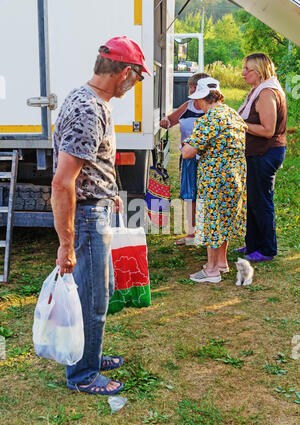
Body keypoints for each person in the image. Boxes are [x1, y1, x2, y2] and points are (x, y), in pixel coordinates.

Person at [51, 36, 151, 395]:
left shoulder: (92, 99)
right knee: (92, 299)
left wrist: (112, 194)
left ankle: (88, 352)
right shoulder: (88, 109)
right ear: (124, 72)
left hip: (100, 208)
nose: (136, 84)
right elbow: (62, 183)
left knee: (101, 289)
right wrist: (66, 244)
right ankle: (82, 375)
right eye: (138, 77)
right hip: (88, 218)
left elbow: (92, 164)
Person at [181, 77, 247, 283]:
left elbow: (187, 153)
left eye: (196, 100)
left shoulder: (209, 119)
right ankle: (221, 263)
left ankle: (211, 271)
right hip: (235, 176)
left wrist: (187, 144)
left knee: (212, 221)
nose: (195, 104)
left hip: (215, 178)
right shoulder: (232, 114)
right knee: (225, 218)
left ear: (203, 98)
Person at [237, 53, 287, 262]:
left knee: (261, 201)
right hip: (257, 153)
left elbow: (268, 130)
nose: (243, 73)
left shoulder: (267, 93)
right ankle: (253, 244)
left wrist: (237, 123)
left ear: (259, 71)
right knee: (253, 200)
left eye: (247, 69)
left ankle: (266, 249)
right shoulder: (258, 90)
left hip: (265, 153)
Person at [160, 73, 209, 245]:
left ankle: (206, 234)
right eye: (190, 86)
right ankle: (191, 233)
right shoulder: (187, 106)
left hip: (207, 160)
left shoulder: (211, 108)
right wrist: (165, 121)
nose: (192, 90)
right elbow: (169, 121)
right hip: (188, 158)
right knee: (189, 196)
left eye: (195, 87)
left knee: (206, 196)